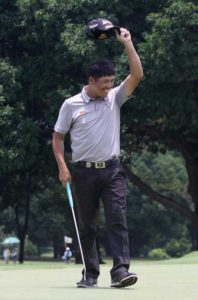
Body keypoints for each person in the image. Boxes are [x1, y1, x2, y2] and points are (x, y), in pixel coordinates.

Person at [52, 26, 143, 288]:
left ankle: (121, 271)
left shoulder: (114, 98)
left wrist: (127, 43)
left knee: (118, 219)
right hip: (82, 172)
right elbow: (58, 138)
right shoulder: (71, 104)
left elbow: (137, 75)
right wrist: (62, 167)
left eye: (112, 83)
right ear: (91, 80)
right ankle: (90, 273)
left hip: (112, 170)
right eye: (105, 83)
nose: (109, 87)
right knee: (87, 225)